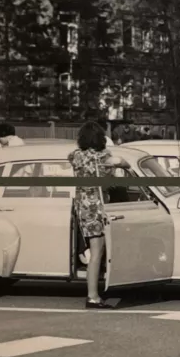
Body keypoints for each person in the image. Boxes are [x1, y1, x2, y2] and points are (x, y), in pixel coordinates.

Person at [68, 121, 129, 309]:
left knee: (95, 250)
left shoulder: (76, 156)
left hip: (83, 207)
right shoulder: (104, 156)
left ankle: (94, 292)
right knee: (97, 252)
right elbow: (122, 164)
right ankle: (92, 296)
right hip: (99, 207)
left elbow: (71, 157)